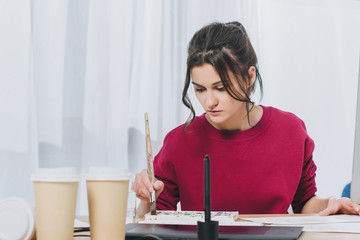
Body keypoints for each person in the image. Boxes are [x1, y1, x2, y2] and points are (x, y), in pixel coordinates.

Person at [132, 21, 360, 217]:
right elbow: (153, 220)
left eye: (220, 88)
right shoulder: (179, 142)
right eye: (200, 89)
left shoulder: (290, 131)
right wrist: (145, 198)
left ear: (250, 76)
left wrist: (330, 204)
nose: (209, 102)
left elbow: (304, 204)